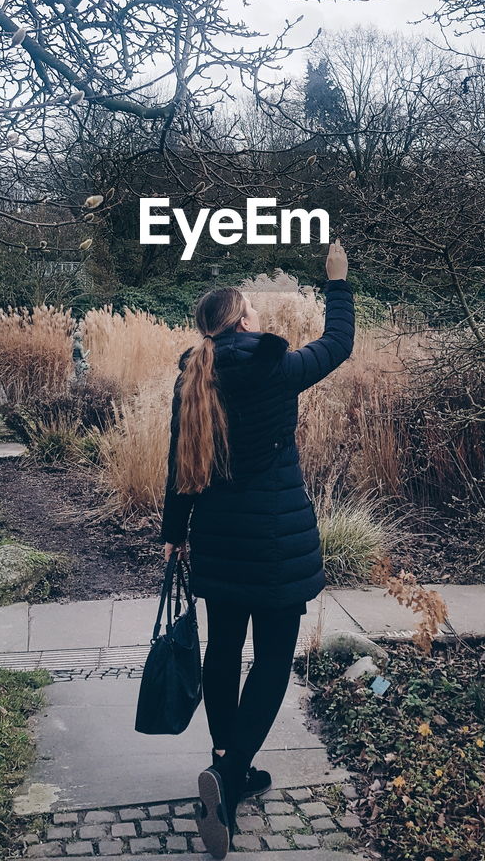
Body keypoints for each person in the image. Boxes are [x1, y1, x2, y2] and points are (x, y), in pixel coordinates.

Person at [159, 240, 354, 860]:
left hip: (218, 539)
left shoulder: (193, 374)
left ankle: (224, 760)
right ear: (242, 319)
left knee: (224, 648)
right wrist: (339, 281)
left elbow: (177, 465)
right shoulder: (276, 364)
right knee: (273, 658)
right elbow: (339, 344)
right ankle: (234, 769)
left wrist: (173, 532)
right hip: (275, 544)